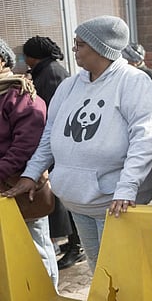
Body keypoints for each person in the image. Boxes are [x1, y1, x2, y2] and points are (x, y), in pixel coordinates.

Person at [3, 15, 152, 272]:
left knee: (121, 274)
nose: (74, 48)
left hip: (115, 204)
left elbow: (145, 138)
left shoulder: (133, 82)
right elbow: (50, 134)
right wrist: (32, 174)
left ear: (101, 47)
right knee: (97, 270)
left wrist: (127, 187)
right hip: (77, 201)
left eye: (80, 44)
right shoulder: (69, 85)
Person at [23, 35, 86, 270]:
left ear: (32, 56)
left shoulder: (50, 74)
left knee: (64, 201)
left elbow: (50, 118)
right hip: (56, 147)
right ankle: (72, 243)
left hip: (60, 147)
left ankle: (75, 245)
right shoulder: (49, 71)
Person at [0, 38, 59, 287]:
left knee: (36, 250)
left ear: (2, 60)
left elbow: (26, 146)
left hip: (20, 188)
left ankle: (47, 293)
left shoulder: (21, 94)